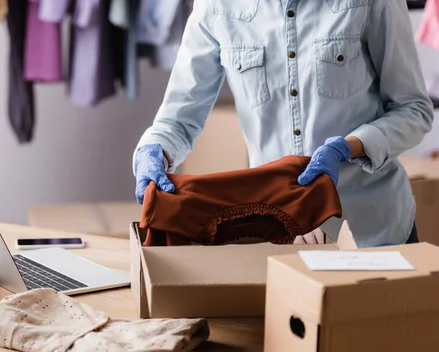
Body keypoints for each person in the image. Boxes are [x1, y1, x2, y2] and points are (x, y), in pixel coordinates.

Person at [132, 0, 434, 247]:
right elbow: (178, 119)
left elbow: (413, 109)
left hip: (373, 231)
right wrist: (153, 151)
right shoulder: (215, 7)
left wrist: (350, 147)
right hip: (278, 235)